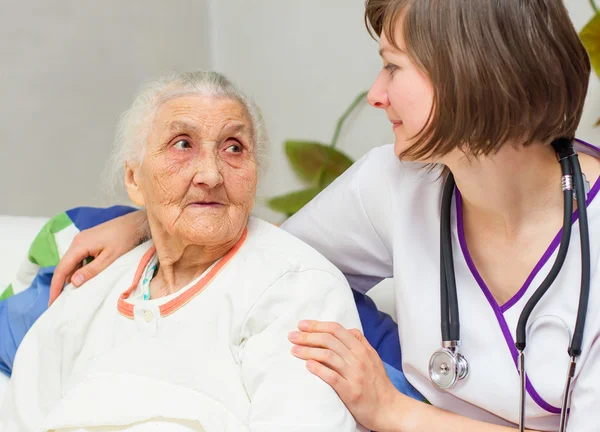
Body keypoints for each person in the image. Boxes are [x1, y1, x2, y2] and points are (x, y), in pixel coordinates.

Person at [18, 0, 600, 431]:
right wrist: (144, 219)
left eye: (393, 68)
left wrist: (393, 411)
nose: (375, 93)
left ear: (469, 74)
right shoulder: (397, 183)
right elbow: (267, 260)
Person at [0, 71, 365, 432]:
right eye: (182, 144)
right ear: (134, 180)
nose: (211, 174)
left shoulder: (297, 292)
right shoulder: (87, 292)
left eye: (234, 148)